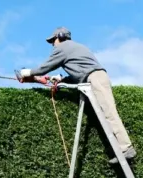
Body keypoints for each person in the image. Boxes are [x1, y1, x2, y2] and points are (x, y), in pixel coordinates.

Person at [19, 26, 136, 164]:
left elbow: (45, 67)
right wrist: (61, 79)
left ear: (60, 36)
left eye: (53, 40)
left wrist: (28, 73)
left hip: (95, 78)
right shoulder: (75, 47)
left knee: (109, 112)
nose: (52, 44)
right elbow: (80, 73)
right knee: (105, 114)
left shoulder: (63, 47)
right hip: (94, 77)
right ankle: (122, 147)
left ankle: (126, 147)